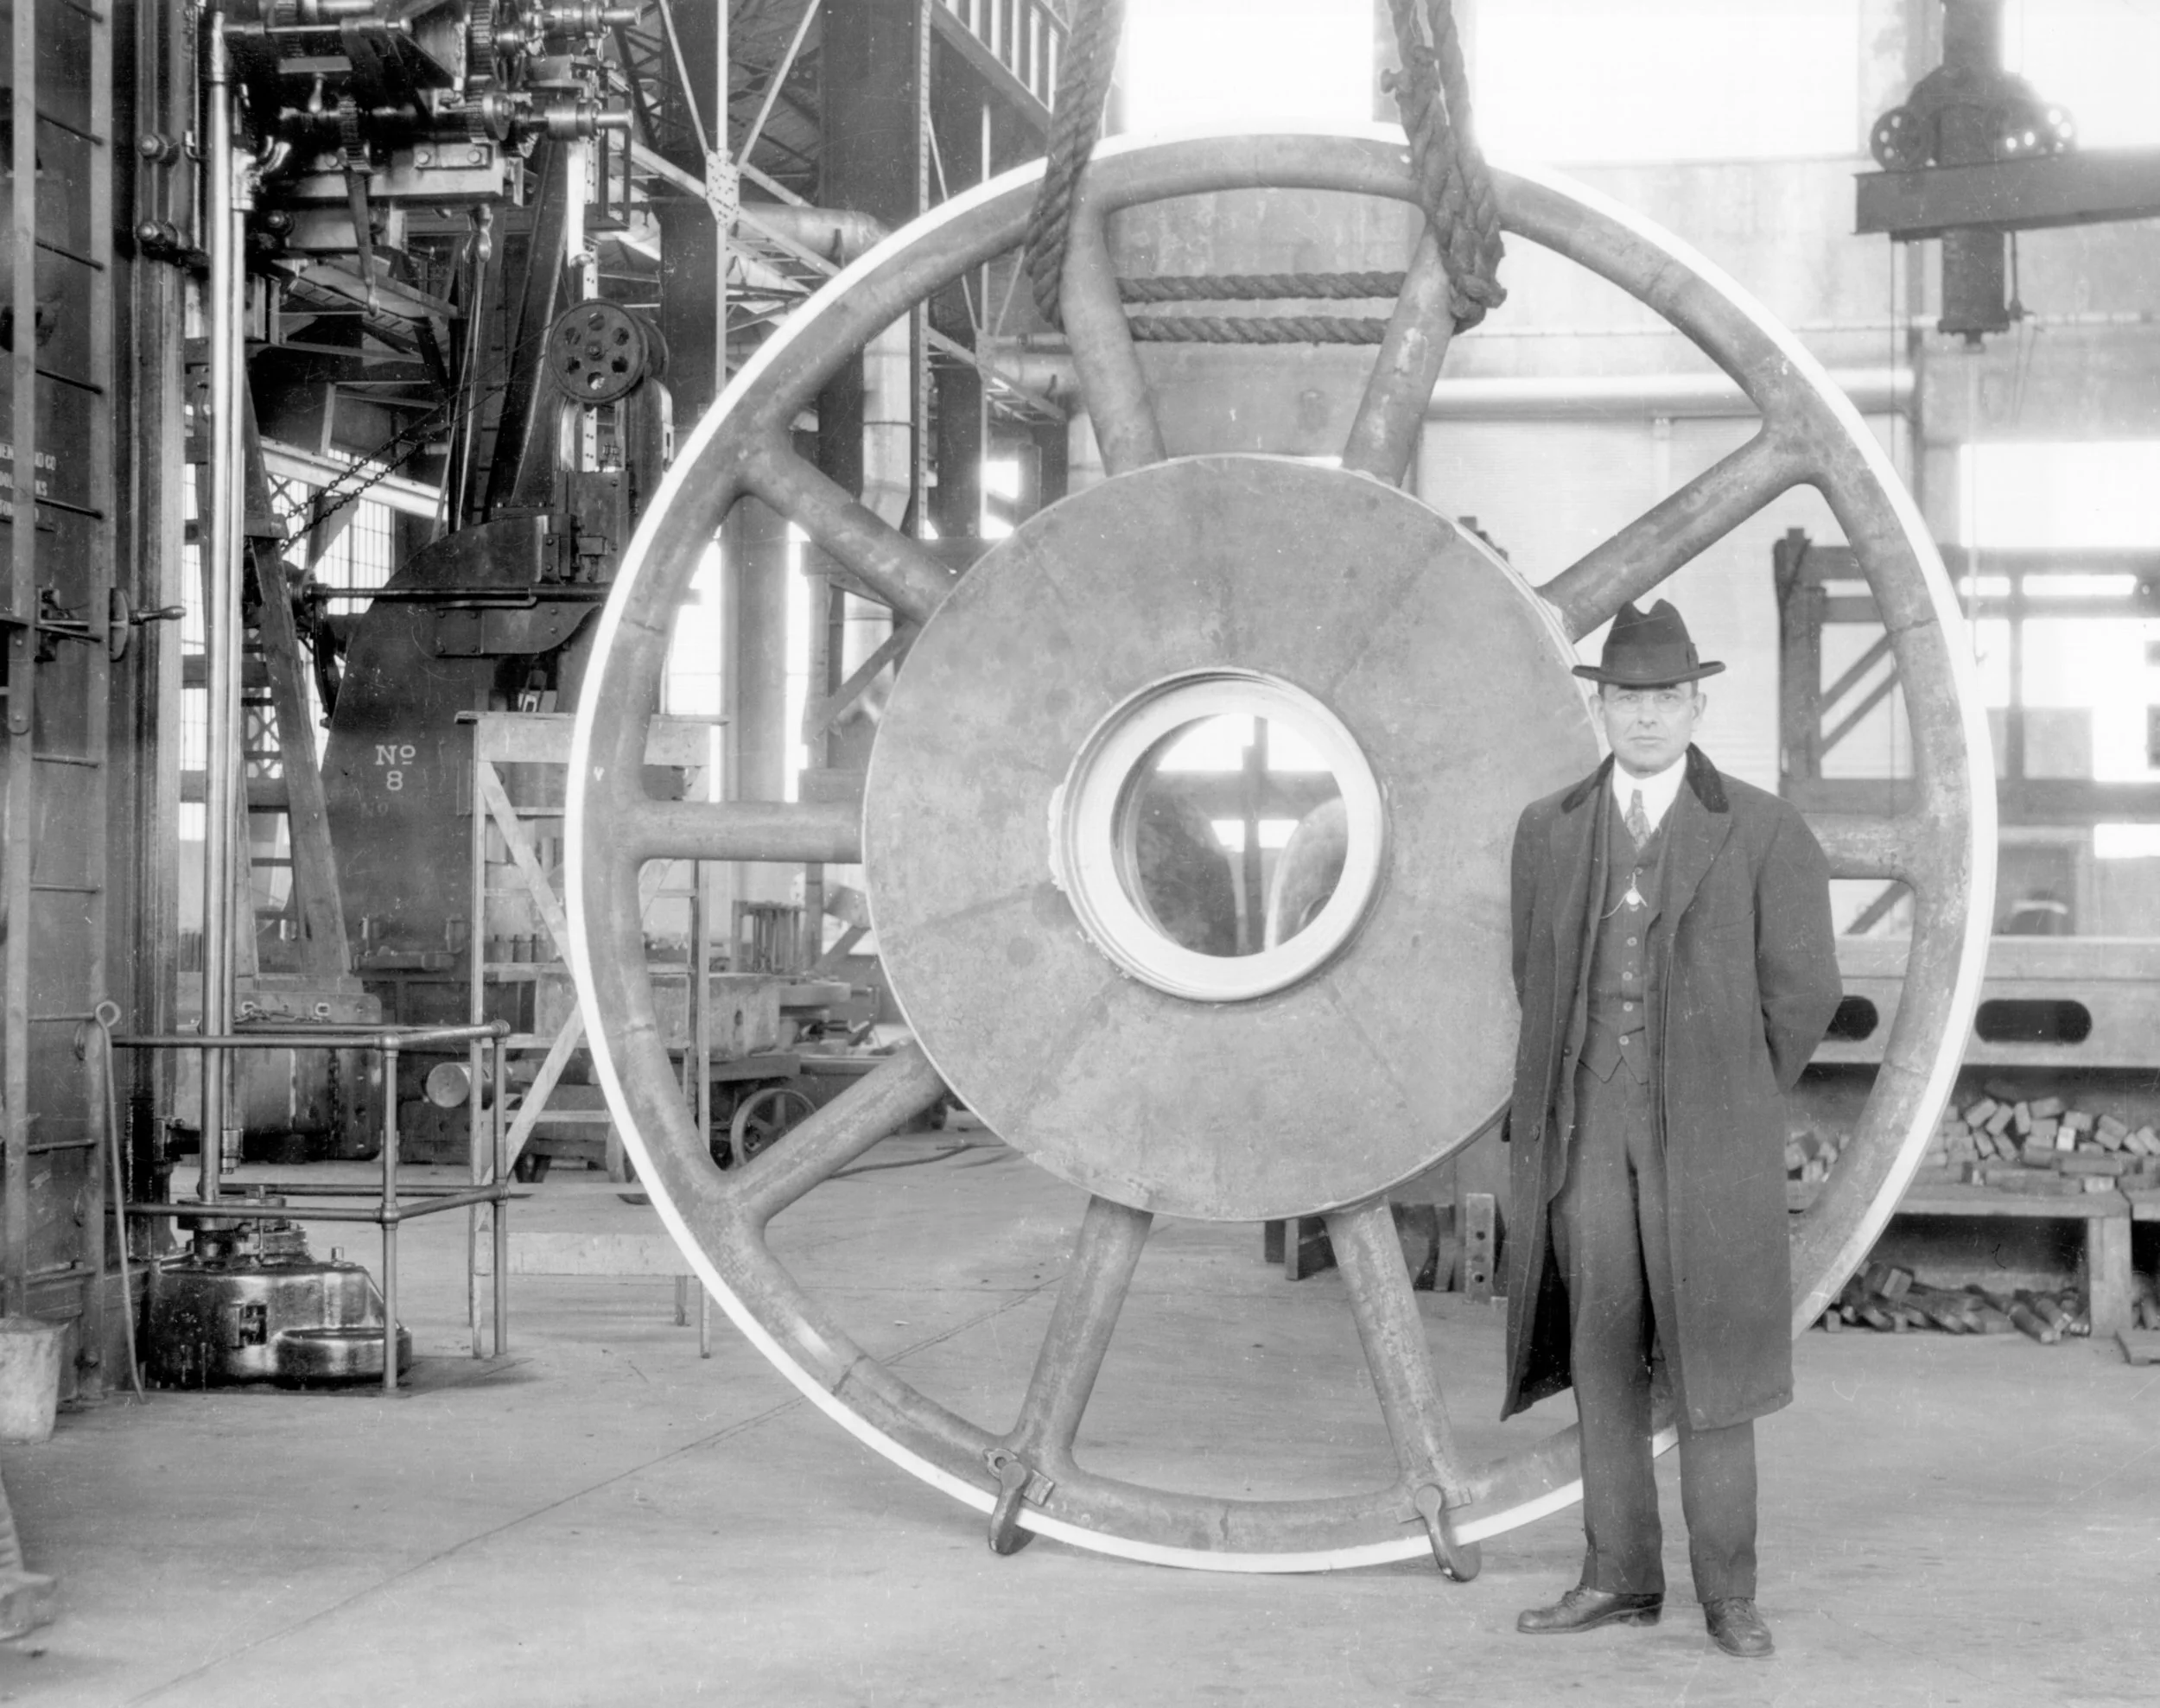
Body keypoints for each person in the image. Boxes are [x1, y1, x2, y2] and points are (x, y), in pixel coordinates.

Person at [1500, 599, 1841, 1660]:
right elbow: (1534, 977)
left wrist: (1726, 1090)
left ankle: (1728, 1594)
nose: (1643, 718)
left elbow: (1805, 993)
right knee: (1603, 1351)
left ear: (1696, 704)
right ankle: (1616, 1578)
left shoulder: (1764, 828)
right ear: (1599, 708)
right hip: (1584, 1130)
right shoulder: (1547, 830)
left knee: (1715, 1362)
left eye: (1663, 699)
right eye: (1624, 700)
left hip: (1710, 1136)